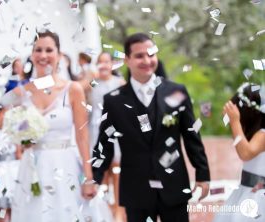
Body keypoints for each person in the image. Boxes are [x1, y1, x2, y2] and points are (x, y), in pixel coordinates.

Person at [92, 33, 210, 222]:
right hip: (136, 191)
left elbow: (191, 136)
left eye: (151, 54)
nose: (147, 60)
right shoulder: (113, 101)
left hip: (173, 187)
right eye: (139, 56)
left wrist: (203, 174)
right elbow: (104, 144)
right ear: (127, 60)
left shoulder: (177, 92)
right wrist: (94, 179)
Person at [10, 31, 112, 222]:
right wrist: (20, 137)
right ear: (32, 55)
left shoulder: (72, 89)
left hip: (65, 166)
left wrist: (89, 177)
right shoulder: (21, 92)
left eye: (49, 50)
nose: (43, 55)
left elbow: (83, 137)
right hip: (32, 169)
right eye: (38, 50)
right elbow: (1, 115)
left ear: (59, 54)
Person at [214, 82, 265, 222]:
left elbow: (246, 154)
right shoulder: (254, 132)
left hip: (258, 197)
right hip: (246, 190)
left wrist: (235, 122)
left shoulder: (263, 133)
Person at [88, 52, 126, 220]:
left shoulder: (119, 83)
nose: (103, 65)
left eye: (106, 62)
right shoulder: (92, 84)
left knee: (117, 170)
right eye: (100, 62)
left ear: (112, 64)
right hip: (96, 128)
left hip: (115, 128)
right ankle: (102, 212)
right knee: (100, 172)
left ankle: (119, 211)